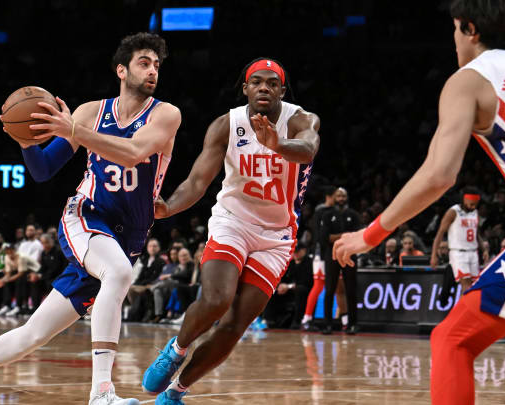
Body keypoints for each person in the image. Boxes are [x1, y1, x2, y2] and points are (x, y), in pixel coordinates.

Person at [0, 32, 180, 405]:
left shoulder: (165, 114)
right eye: (144, 62)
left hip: (130, 235)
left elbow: (133, 152)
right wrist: (27, 143)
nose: (153, 70)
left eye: (157, 64)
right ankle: (102, 393)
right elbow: (44, 169)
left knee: (33, 334)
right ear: (121, 70)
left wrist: (74, 131)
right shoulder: (90, 112)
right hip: (87, 217)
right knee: (120, 274)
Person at [332, 2, 505, 403]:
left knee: (454, 339)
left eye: (454, 29)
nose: (453, 40)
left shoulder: (470, 79)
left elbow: (439, 175)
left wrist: (370, 234)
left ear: (470, 29)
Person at [143, 57, 320, 404]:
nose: (264, 87)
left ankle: (176, 392)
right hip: (233, 221)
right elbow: (197, 181)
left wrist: (278, 145)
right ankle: (176, 350)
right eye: (257, 82)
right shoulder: (227, 124)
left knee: (235, 326)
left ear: (282, 90)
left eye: (272, 82)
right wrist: (168, 207)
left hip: (277, 236)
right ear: (246, 89)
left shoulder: (301, 119)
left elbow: (309, 148)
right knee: (216, 299)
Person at [319, 187, 361, 334]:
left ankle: (353, 324)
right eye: (338, 195)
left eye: (343, 195)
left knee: (351, 290)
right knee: (329, 289)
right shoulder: (327, 215)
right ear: (334, 197)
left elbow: (357, 235)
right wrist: (346, 235)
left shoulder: (354, 215)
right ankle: (328, 324)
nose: (341, 198)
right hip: (332, 255)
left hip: (350, 254)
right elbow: (324, 238)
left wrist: (336, 236)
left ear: (347, 197)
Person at [431, 188, 488, 291]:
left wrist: (484, 249)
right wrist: (434, 255)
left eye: (475, 204)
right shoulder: (453, 212)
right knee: (466, 286)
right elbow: (440, 233)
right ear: (464, 200)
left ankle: (461, 307)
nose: (473, 207)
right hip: (458, 253)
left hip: (473, 253)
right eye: (471, 204)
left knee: (472, 287)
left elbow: (477, 234)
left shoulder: (475, 212)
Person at [301, 186, 336, 330]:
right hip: (320, 253)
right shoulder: (321, 212)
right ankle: (307, 318)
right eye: (336, 196)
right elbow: (319, 236)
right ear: (329, 196)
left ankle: (312, 318)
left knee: (327, 286)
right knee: (319, 285)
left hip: (327, 253)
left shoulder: (327, 212)